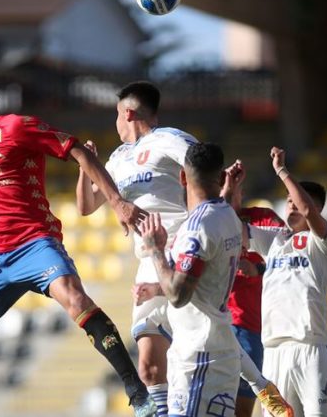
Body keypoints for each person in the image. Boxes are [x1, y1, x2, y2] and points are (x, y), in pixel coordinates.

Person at [0, 74, 157, 417]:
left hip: (36, 243)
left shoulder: (15, 126)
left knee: (75, 298)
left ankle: (136, 390)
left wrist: (117, 202)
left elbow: (79, 151)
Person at [77, 81, 292, 417]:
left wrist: (217, 220)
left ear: (129, 112)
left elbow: (204, 173)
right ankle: (259, 385)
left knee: (202, 329)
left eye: (116, 115)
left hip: (183, 246)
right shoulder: (118, 159)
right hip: (149, 256)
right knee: (149, 365)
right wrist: (85, 164)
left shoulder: (170, 139)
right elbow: (87, 205)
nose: (115, 123)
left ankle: (260, 386)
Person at [138, 142, 243, 416]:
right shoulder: (228, 214)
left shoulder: (198, 228)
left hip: (199, 355)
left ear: (182, 177)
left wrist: (155, 250)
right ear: (220, 178)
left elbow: (178, 295)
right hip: (216, 349)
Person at [245, 146, 327, 417]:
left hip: (309, 344)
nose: (290, 204)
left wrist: (282, 171)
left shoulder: (322, 241)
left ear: (316, 207)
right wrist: (230, 188)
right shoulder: (274, 240)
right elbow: (236, 228)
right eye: (287, 200)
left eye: (296, 200)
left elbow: (309, 213)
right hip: (273, 349)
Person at [222, 161, 290, 417]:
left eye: (231, 190)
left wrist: (258, 270)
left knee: (244, 408)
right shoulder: (206, 223)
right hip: (223, 322)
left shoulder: (264, 218)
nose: (227, 196)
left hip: (256, 328)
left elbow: (289, 258)